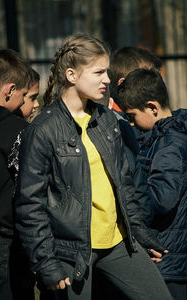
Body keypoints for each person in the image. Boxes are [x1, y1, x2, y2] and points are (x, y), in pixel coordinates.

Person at [15, 34, 172, 300]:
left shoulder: (108, 121)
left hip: (118, 242)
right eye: (99, 72)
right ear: (72, 75)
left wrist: (138, 231)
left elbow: (124, 183)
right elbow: (30, 205)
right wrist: (45, 262)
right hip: (70, 252)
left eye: (107, 72)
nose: (107, 80)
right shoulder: (43, 130)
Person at [117, 68, 187, 300]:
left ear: (152, 107)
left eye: (132, 116)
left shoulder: (169, 145)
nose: (132, 124)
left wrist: (131, 194)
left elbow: (162, 198)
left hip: (169, 258)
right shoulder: (163, 137)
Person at [0, 48, 35, 300]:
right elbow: (28, 188)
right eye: (24, 94)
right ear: (9, 89)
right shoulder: (17, 130)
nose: (25, 102)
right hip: (2, 243)